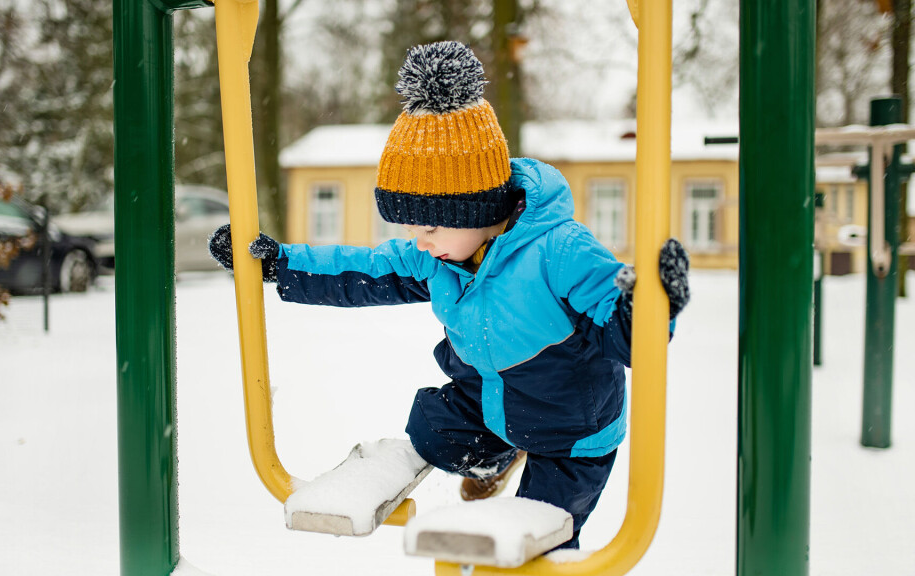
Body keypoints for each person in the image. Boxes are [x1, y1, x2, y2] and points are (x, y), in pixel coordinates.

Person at [208, 41, 689, 549]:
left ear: (475, 211)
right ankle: (494, 457)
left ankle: (519, 468)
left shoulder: (560, 251)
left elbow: (624, 332)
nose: (420, 239)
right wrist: (277, 263)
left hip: (570, 427)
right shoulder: (438, 254)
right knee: (431, 430)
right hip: (488, 398)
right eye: (411, 226)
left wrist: (648, 306)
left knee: (537, 537)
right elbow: (362, 269)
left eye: (430, 224)